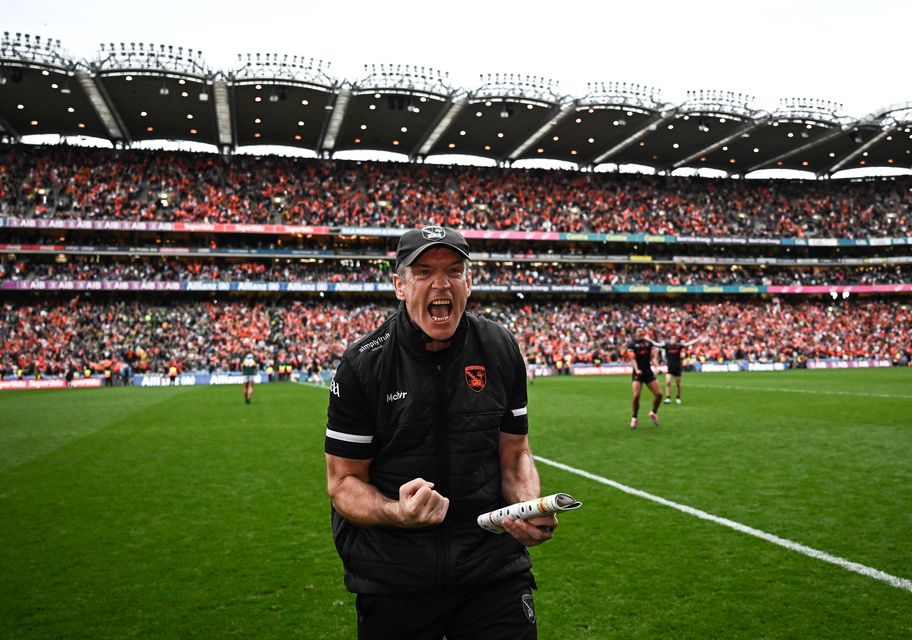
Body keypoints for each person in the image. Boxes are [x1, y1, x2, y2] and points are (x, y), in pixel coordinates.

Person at [324, 226, 556, 640]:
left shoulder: (500, 347)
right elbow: (343, 482)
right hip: (395, 577)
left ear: (469, 281)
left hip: (490, 569)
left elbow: (515, 453)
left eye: (453, 270)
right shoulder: (363, 365)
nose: (441, 283)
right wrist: (397, 512)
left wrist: (525, 504)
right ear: (399, 285)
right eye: (424, 271)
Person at [628, 325, 662, 429]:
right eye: (639, 331)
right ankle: (634, 418)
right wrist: (637, 369)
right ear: (635, 333)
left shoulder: (648, 343)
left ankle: (653, 413)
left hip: (648, 372)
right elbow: (632, 359)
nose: (641, 332)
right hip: (638, 373)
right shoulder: (632, 344)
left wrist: (657, 367)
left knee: (659, 394)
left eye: (642, 330)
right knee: (636, 396)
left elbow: (653, 357)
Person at [657, 334, 706, 404]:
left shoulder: (678, 346)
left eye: (675, 339)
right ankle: (668, 398)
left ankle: (678, 398)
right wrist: (649, 340)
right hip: (670, 367)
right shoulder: (667, 346)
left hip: (677, 367)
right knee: (668, 383)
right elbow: (657, 345)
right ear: (670, 340)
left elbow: (688, 344)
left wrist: (697, 339)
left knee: (677, 384)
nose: (674, 340)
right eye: (672, 339)